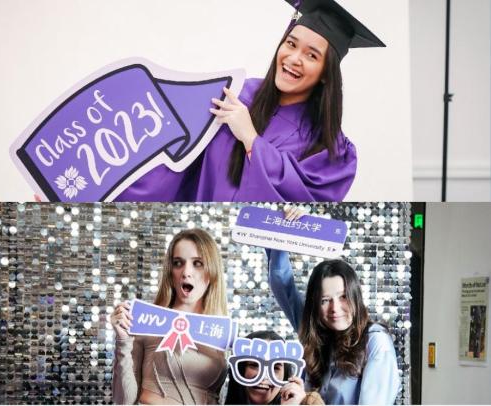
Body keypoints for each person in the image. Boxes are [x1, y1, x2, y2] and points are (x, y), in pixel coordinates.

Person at [117, 0, 384, 202]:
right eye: (291, 44)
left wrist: (251, 139)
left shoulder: (330, 149)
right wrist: (114, 186)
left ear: (327, 74)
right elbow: (178, 164)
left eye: (311, 55)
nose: (293, 58)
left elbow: (302, 203)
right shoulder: (235, 95)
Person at [267, 209, 401, 404]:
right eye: (324, 300)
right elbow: (281, 284)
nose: (335, 308)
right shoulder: (317, 332)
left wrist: (308, 401)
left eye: (343, 297)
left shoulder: (375, 341)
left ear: (356, 296)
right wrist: (283, 228)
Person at [110, 229, 229, 404]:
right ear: (170, 272)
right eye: (178, 263)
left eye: (197, 263)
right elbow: (123, 401)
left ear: (211, 271)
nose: (186, 272)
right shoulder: (146, 321)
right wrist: (123, 342)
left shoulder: (222, 330)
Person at [226, 330, 324, 405]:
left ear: (285, 375)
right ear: (240, 369)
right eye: (254, 365)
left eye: (275, 368)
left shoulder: (309, 402)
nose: (264, 376)